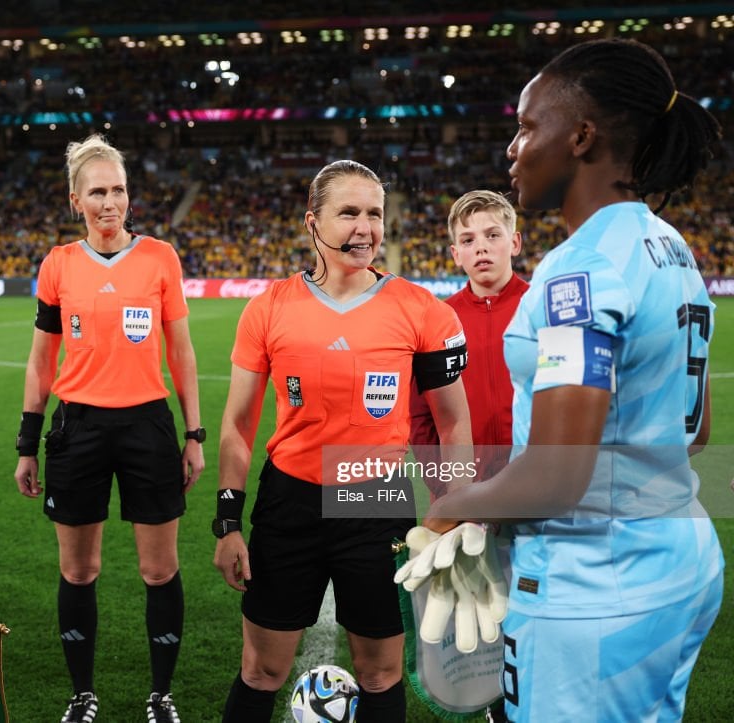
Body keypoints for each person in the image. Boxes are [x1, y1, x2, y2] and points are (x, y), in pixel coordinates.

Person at [423, 38, 724, 722]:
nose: (513, 148)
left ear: (581, 136)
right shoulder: (670, 247)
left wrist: (453, 510)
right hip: (678, 557)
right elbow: (694, 427)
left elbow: (558, 475)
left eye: (528, 127)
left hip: (595, 584)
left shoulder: (580, 269)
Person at [213, 159, 472, 723]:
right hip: (291, 499)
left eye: (375, 213)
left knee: (380, 673)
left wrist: (452, 512)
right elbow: (237, 426)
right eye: (349, 212)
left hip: (375, 498)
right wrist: (228, 523)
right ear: (313, 222)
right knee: (261, 670)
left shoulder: (423, 310)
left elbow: (454, 424)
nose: (365, 228)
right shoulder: (269, 308)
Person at [13, 133, 204, 723]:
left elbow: (182, 352)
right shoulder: (58, 265)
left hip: (148, 424)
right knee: (78, 570)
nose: (109, 202)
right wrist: (28, 443)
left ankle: (160, 694)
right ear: (76, 199)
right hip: (78, 429)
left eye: (118, 189)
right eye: (97, 191)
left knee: (159, 569)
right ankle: (82, 694)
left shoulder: (160, 257)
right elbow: (42, 360)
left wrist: (193, 434)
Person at [410, 189, 529, 489]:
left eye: (492, 235)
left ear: (514, 243)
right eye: (468, 240)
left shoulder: (540, 307)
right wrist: (443, 485)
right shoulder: (437, 319)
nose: (481, 248)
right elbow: (420, 414)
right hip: (462, 493)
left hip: (533, 488)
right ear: (455, 253)